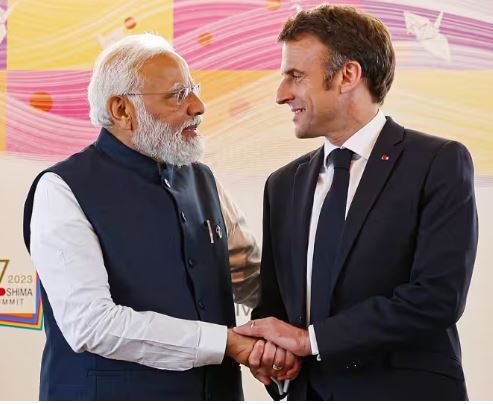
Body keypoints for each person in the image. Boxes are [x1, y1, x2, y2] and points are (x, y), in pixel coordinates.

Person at [22, 33, 297, 400]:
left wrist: (308, 333)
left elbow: (248, 277)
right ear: (122, 110)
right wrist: (227, 343)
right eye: (178, 95)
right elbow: (91, 324)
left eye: (194, 90)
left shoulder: (202, 179)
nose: (198, 106)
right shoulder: (63, 189)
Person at [234, 4, 478, 400]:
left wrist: (310, 340)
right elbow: (276, 305)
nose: (281, 95)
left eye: (296, 76)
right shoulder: (282, 185)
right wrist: (270, 351)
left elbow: (437, 297)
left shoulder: (438, 163)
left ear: (347, 75)